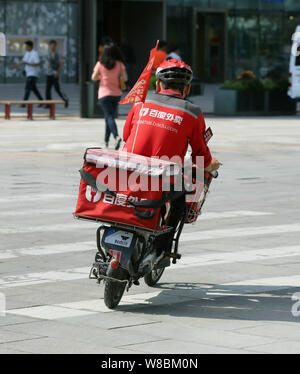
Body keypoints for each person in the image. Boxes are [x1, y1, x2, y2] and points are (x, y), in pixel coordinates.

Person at [123, 59, 220, 254]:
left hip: (127, 171)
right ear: (187, 88)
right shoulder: (192, 112)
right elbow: (200, 155)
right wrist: (211, 165)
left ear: (158, 84)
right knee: (179, 202)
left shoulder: (140, 104)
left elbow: (126, 136)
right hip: (162, 177)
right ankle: (161, 250)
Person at [91, 43, 128, 149]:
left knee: (109, 116)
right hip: (116, 94)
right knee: (109, 116)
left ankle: (116, 136)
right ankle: (106, 140)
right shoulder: (119, 64)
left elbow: (93, 77)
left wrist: (102, 76)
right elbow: (125, 78)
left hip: (104, 93)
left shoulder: (100, 63)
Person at [11, 40, 43, 106]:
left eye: (26, 46)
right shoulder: (27, 53)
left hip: (33, 74)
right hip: (28, 73)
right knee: (34, 89)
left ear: (30, 46)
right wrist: (15, 66)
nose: (25, 47)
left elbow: (38, 63)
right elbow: (23, 62)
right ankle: (42, 101)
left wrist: (28, 63)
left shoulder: (34, 53)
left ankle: (24, 103)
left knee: (27, 88)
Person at [45, 40, 69, 107]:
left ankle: (65, 99)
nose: (52, 47)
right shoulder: (49, 54)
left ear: (55, 46)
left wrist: (58, 72)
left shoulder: (58, 54)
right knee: (47, 89)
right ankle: (48, 103)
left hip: (55, 73)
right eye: (51, 45)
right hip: (49, 73)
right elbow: (48, 64)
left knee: (57, 89)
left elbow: (61, 63)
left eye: (53, 46)